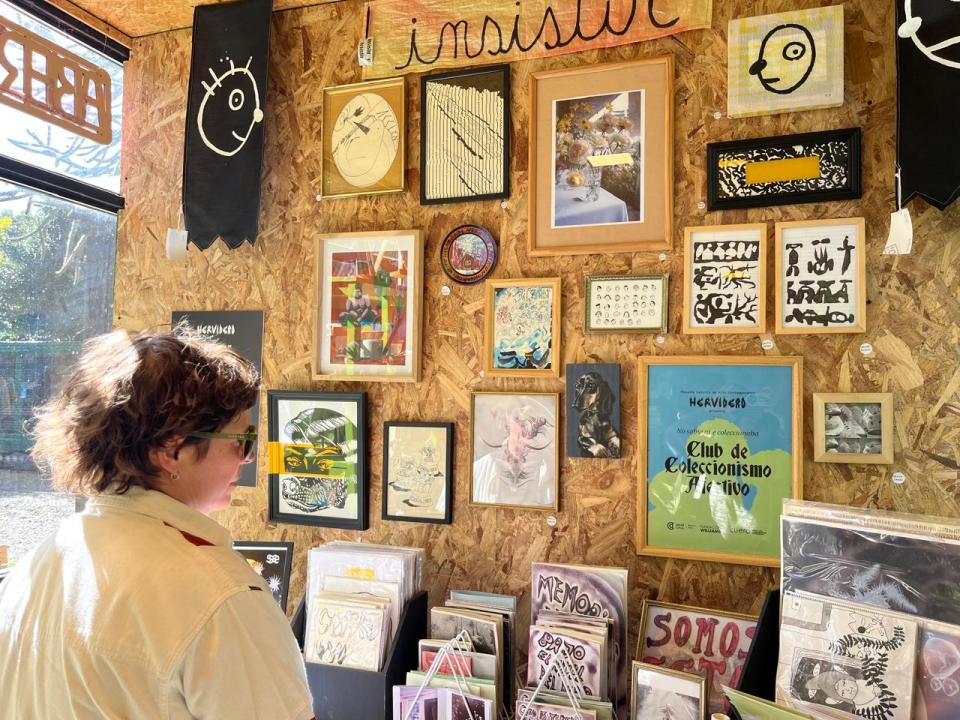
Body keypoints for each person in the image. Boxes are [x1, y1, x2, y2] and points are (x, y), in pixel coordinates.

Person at [0, 328, 315, 719]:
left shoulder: (36, 567)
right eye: (242, 440)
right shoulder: (222, 596)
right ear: (172, 450)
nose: (247, 458)